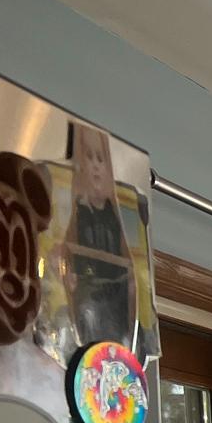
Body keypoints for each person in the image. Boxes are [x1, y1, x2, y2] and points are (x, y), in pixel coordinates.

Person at [64, 123, 135, 347]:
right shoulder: (79, 210)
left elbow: (127, 255)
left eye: (100, 159)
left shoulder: (114, 213)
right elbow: (67, 246)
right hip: (89, 290)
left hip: (115, 292)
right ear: (81, 165)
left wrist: (132, 278)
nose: (95, 165)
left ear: (108, 168)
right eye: (89, 157)